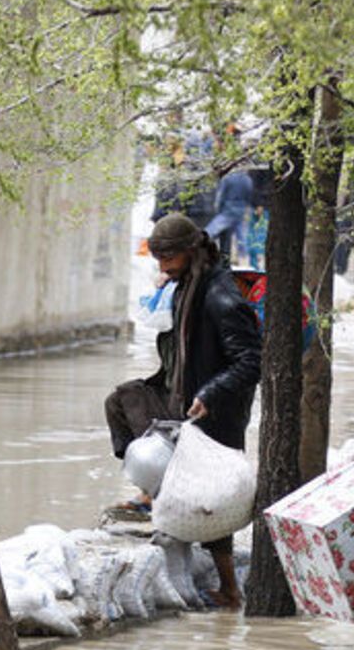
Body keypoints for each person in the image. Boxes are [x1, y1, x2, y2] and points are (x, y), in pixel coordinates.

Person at [104, 213, 262, 609]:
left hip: (213, 410)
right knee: (121, 402)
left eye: (168, 260)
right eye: (158, 261)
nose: (163, 270)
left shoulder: (220, 296)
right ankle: (152, 489)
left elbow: (250, 361)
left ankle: (229, 588)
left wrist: (211, 394)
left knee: (208, 496)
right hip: (181, 395)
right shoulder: (188, 285)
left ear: (190, 253)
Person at [206, 168, 254, 260]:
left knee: (211, 230)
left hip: (228, 209)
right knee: (242, 236)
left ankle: (199, 244)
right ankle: (243, 258)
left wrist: (218, 210)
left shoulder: (227, 178)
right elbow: (249, 196)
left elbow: (220, 196)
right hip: (242, 209)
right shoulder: (248, 179)